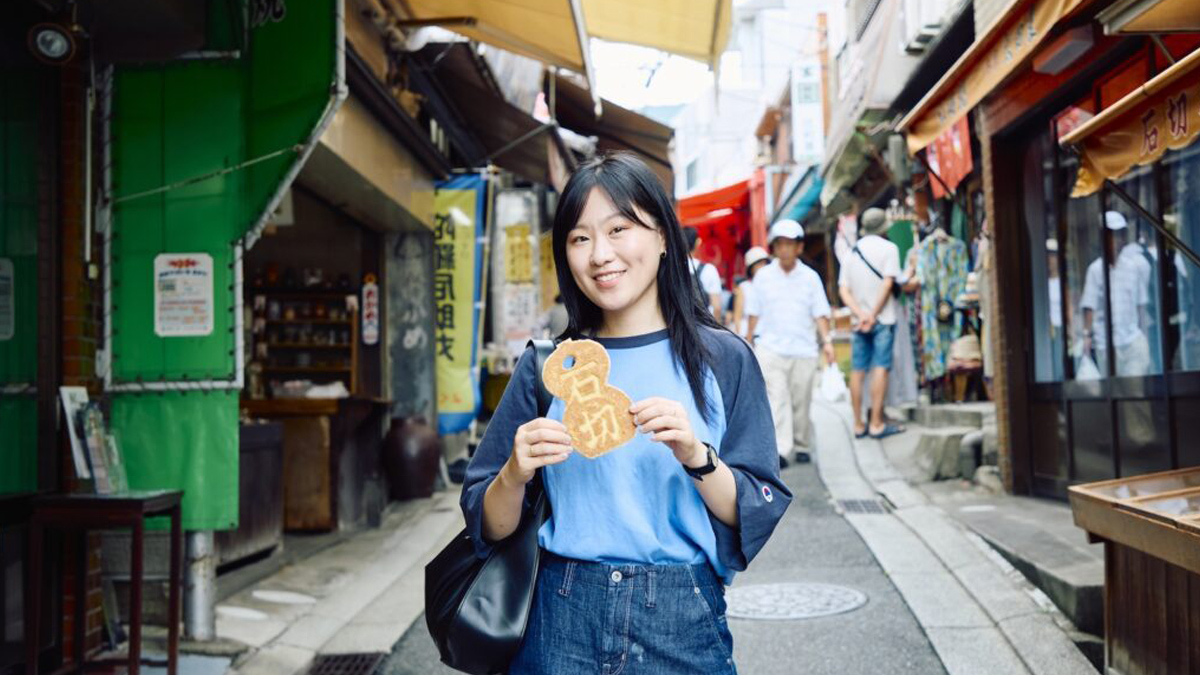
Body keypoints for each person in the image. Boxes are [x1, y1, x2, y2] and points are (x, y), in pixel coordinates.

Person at [462, 153, 790, 674]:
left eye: (620, 228)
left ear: (663, 237)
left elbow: (753, 507)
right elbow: (490, 523)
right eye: (580, 238)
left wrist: (696, 456)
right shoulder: (548, 366)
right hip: (559, 611)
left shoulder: (722, 358)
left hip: (681, 615)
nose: (600, 254)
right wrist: (514, 472)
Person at [747, 219, 835, 466]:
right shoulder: (763, 277)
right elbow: (753, 312)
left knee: (801, 399)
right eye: (780, 244)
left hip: (804, 348)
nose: (784, 249)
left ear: (799, 247)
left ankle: (802, 443)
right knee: (777, 399)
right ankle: (783, 450)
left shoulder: (810, 277)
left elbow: (820, 312)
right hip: (770, 348)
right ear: (774, 248)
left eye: (790, 244)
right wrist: (749, 343)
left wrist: (827, 342)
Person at [839, 207, 903, 439]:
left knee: (857, 371)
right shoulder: (890, 249)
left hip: (859, 322)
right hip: (883, 319)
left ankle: (858, 424)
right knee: (880, 368)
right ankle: (876, 423)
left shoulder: (851, 253)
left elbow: (843, 290)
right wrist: (873, 314)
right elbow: (888, 284)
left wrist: (860, 314)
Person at [1080, 211, 1154, 377]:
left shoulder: (1133, 267)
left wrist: (1145, 339)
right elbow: (1090, 306)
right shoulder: (1095, 270)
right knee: (1115, 395)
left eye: (1120, 235)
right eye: (1112, 235)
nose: (1116, 241)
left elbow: (1140, 306)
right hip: (1106, 345)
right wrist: (1087, 337)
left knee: (1135, 394)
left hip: (1132, 340)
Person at [684, 226, 725, 322]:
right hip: (703, 325)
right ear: (698, 242)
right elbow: (717, 307)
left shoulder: (671, 269)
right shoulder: (708, 270)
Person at [733, 246, 770, 341]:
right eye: (759, 264)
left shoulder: (773, 286)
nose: (763, 267)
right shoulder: (744, 287)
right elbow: (737, 316)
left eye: (764, 263)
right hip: (747, 336)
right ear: (751, 268)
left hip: (768, 337)